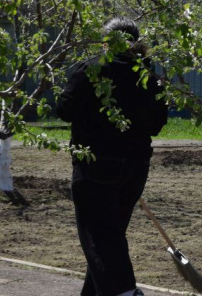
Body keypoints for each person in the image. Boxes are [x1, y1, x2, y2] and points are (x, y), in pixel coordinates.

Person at [57, 17, 168, 296]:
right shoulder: (148, 76)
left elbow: (64, 110)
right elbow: (157, 123)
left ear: (106, 42)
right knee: (110, 237)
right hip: (135, 168)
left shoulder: (92, 69)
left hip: (96, 166)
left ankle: (126, 293)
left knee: (100, 238)